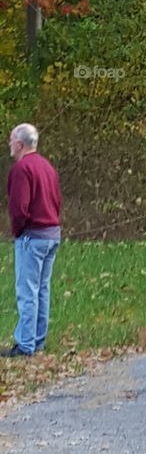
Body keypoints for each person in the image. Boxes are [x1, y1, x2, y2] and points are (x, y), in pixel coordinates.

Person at [3, 124, 62, 357]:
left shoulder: (21, 169)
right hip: (52, 232)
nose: (9, 144)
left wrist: (18, 231)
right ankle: (38, 340)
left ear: (19, 144)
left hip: (32, 235)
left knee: (27, 291)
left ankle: (25, 344)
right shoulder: (47, 167)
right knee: (42, 290)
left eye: (10, 140)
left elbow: (19, 208)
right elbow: (57, 200)